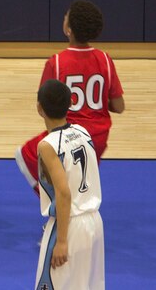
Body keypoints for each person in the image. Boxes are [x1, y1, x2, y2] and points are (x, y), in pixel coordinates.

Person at [15, 0, 125, 192]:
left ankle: (54, 202)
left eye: (66, 16)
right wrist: (96, 102)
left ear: (69, 29)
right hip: (97, 139)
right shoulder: (106, 60)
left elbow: (44, 107)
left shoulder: (56, 63)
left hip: (66, 136)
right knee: (79, 183)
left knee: (24, 154)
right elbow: (119, 106)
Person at [33, 79, 105, 290]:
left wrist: (62, 241)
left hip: (69, 224)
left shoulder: (47, 145)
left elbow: (64, 193)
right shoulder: (83, 131)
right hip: (94, 222)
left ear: (39, 108)